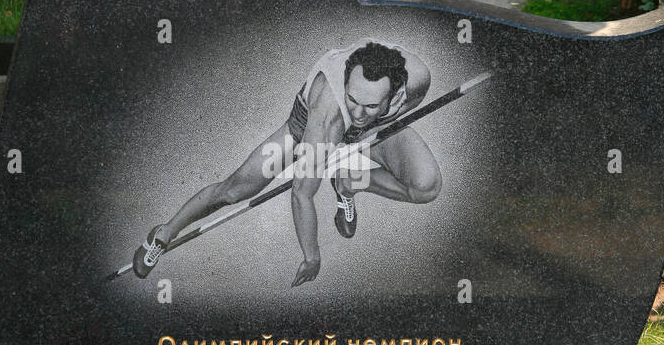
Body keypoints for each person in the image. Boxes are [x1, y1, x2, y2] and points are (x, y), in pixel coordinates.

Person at [132, 39, 442, 286]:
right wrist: (312, 256)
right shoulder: (326, 118)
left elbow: (370, 118)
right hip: (304, 130)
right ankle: (164, 233)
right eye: (353, 100)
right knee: (234, 191)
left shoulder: (417, 81)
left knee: (426, 187)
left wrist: (371, 124)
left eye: (371, 104)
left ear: (395, 96)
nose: (358, 111)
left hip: (370, 132)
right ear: (347, 84)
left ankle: (348, 182)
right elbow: (302, 193)